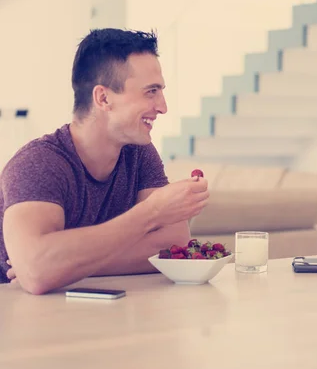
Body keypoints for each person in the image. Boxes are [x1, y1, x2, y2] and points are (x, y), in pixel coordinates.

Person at [0, 28, 209, 295]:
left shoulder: (138, 152)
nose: (163, 106)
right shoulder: (38, 164)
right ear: (103, 98)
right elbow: (36, 274)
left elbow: (174, 242)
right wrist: (151, 212)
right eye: (151, 92)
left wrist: (66, 266)